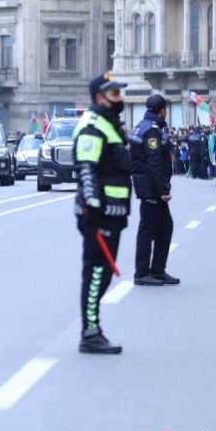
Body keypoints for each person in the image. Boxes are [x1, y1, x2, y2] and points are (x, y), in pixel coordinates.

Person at [73, 73, 132, 354]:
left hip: (113, 212)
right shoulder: (93, 126)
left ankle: (91, 329)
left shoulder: (110, 124)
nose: (121, 99)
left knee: (103, 273)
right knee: (97, 272)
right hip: (99, 215)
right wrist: (91, 208)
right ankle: (90, 332)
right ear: (100, 98)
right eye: (115, 94)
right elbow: (86, 169)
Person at [129, 95, 179, 287]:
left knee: (165, 227)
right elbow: (154, 160)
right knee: (148, 230)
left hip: (149, 185)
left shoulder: (143, 126)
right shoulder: (151, 130)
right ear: (162, 110)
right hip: (151, 188)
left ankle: (157, 270)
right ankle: (142, 273)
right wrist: (163, 189)